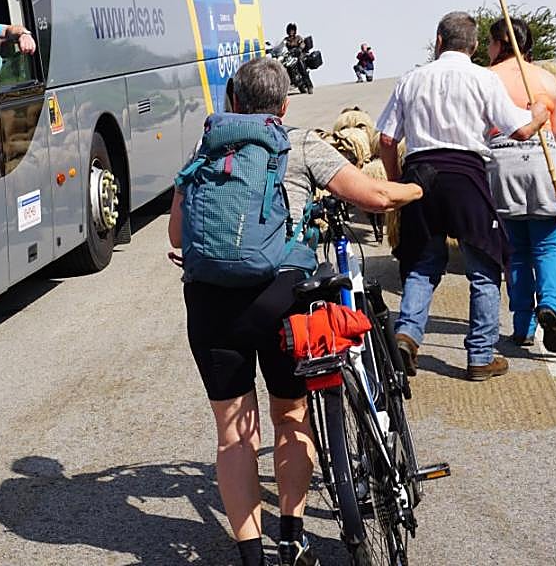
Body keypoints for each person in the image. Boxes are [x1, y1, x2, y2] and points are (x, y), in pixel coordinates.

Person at [169, 57, 423, 566]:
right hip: (282, 300)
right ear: (283, 106)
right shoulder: (299, 143)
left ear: (233, 101)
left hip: (211, 303)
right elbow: (374, 196)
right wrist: (420, 188)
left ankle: (251, 557)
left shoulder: (206, 147)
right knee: (290, 417)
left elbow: (178, 235)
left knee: (234, 435)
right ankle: (291, 537)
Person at [377, 11, 550, 382]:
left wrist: (396, 182)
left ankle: (407, 335)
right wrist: (538, 113)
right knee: (484, 266)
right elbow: (520, 131)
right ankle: (480, 356)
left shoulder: (411, 79)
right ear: (473, 46)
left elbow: (387, 139)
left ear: (439, 41)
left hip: (420, 176)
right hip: (467, 175)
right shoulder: (484, 78)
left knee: (422, 263)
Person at [485, 18, 556, 352]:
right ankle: (550, 305)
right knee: (548, 247)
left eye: (490, 43)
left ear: (500, 43)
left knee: (516, 253)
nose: (487, 49)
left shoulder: (486, 78)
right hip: (544, 162)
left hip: (502, 164)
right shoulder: (547, 80)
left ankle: (522, 326)